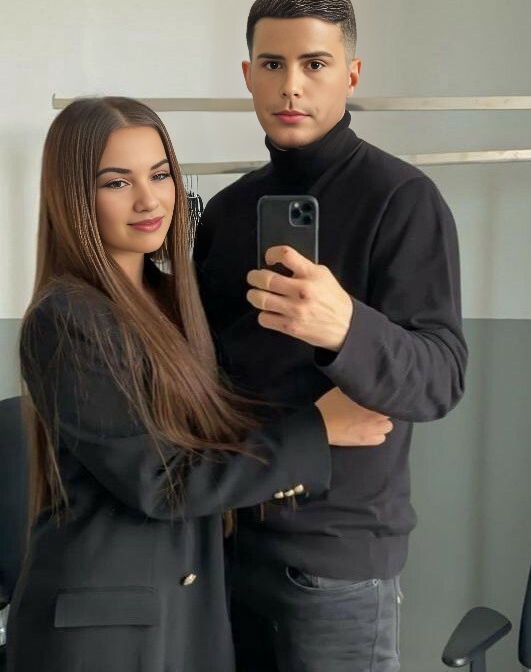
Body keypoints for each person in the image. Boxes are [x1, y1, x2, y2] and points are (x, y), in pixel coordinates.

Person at [6, 96, 394, 672]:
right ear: (73, 197)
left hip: (186, 609)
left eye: (161, 175)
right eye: (118, 182)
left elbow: (211, 437)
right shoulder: (66, 316)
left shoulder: (174, 301)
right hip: (105, 633)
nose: (149, 200)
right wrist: (318, 429)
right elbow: (161, 480)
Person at [193, 0, 468, 672]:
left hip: (337, 561)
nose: (291, 86)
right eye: (272, 64)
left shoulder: (402, 199)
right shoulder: (225, 213)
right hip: (227, 540)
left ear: (350, 74)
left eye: (314, 64)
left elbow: (440, 378)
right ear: (248, 76)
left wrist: (345, 326)